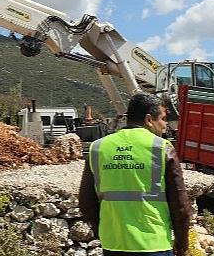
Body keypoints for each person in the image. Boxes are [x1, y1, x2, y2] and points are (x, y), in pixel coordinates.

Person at [78, 92, 190, 256]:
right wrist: (182, 241)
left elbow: (86, 202)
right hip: (154, 245)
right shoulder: (161, 148)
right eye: (163, 119)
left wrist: (103, 231)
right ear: (149, 119)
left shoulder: (98, 147)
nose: (165, 125)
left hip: (113, 245)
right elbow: (180, 205)